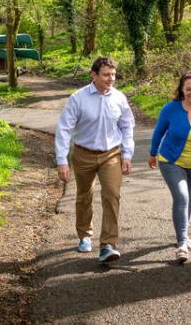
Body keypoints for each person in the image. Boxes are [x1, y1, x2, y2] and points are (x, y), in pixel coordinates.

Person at [56, 56, 135, 263]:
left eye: (113, 75)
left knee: (111, 195)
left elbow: (127, 126)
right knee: (84, 196)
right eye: (106, 75)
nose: (111, 79)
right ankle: (84, 235)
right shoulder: (78, 98)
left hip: (111, 154)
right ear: (94, 75)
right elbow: (64, 129)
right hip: (83, 153)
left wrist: (127, 154)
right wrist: (62, 161)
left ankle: (108, 244)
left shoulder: (119, 97)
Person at [148, 72, 191, 263]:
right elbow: (159, 131)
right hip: (170, 160)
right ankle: (182, 243)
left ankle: (183, 233)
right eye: (188, 89)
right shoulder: (171, 109)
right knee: (181, 196)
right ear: (182, 89)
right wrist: (153, 152)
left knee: (189, 198)